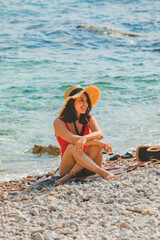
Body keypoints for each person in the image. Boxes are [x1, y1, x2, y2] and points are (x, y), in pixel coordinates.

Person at [53, 85, 116, 185]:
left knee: (95, 145)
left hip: (89, 166)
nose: (85, 104)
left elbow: (99, 133)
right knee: (73, 146)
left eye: (87, 101)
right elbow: (72, 139)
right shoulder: (58, 122)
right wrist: (97, 142)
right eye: (81, 100)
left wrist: (85, 138)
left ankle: (70, 175)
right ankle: (102, 172)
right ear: (71, 102)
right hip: (67, 167)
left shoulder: (89, 118)